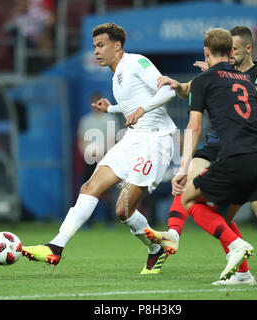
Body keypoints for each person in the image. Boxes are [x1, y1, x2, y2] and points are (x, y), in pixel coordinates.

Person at [140, 27, 257, 284]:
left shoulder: (256, 76)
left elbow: (240, 101)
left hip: (241, 149)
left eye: (236, 51)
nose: (232, 55)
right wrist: (180, 84)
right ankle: (176, 234)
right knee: (191, 193)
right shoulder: (218, 75)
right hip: (221, 146)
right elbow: (193, 91)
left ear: (245, 49)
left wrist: (210, 75)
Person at [22, 22, 177, 275]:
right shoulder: (116, 75)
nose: (96, 51)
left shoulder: (137, 62)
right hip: (132, 138)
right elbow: (133, 103)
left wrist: (142, 110)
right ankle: (55, 247)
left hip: (155, 140)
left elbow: (168, 89)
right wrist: (113, 108)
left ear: (117, 46)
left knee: (123, 210)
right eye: (94, 46)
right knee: (89, 187)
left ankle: (155, 249)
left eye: (101, 45)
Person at [77, 92, 122, 228]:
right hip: (90, 159)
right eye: (94, 101)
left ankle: (108, 220)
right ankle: (88, 221)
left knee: (107, 190)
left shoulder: (111, 119)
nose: (96, 104)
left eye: (98, 101)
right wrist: (86, 152)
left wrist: (106, 152)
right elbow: (81, 140)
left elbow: (116, 138)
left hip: (107, 157)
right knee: (89, 188)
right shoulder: (86, 120)